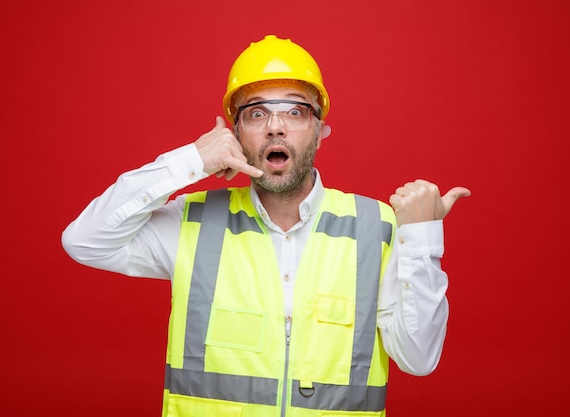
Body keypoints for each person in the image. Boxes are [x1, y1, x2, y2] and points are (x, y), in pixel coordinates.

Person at [62, 34, 470, 417]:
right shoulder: (194, 222)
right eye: (257, 113)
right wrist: (191, 160)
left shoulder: (376, 227)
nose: (276, 126)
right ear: (236, 133)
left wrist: (421, 240)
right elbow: (85, 241)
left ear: (320, 131)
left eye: (295, 110)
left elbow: (418, 359)